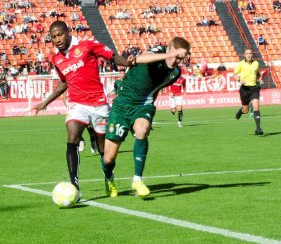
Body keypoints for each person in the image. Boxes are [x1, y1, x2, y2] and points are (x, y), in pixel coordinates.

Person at [32, 21, 133, 195]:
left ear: (68, 32)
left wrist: (128, 63)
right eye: (54, 37)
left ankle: (109, 179)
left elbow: (112, 56)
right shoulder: (56, 58)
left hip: (99, 104)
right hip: (77, 104)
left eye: (60, 35)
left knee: (105, 152)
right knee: (72, 137)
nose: (57, 39)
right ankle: (75, 187)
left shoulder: (87, 44)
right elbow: (64, 82)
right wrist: (45, 102)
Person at [101, 37, 190, 198]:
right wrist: (168, 55)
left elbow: (155, 88)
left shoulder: (176, 73)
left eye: (181, 58)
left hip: (142, 105)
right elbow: (140, 59)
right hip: (121, 105)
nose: (177, 61)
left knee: (142, 129)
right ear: (168, 49)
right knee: (108, 158)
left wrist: (148, 112)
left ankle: (137, 180)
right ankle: (109, 178)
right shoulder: (157, 51)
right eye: (176, 56)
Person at [233, 48, 264, 135]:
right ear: (244, 55)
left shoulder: (256, 63)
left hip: (254, 88)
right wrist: (239, 80)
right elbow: (234, 74)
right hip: (244, 89)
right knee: (246, 110)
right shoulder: (241, 64)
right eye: (247, 53)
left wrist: (260, 79)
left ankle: (258, 129)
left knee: (256, 107)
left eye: (250, 53)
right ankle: (241, 111)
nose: (249, 55)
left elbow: (258, 73)